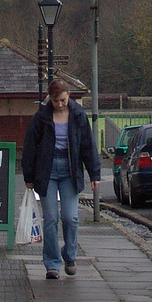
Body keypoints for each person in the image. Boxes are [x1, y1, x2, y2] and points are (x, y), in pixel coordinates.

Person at [22, 80, 100, 279]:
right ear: (51, 99)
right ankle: (52, 264)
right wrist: (28, 176)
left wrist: (94, 174)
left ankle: (70, 255)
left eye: (63, 100)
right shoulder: (41, 118)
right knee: (50, 219)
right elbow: (30, 146)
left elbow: (87, 146)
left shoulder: (78, 115)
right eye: (56, 101)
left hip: (70, 170)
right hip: (46, 171)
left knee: (70, 217)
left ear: (69, 96)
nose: (60, 104)